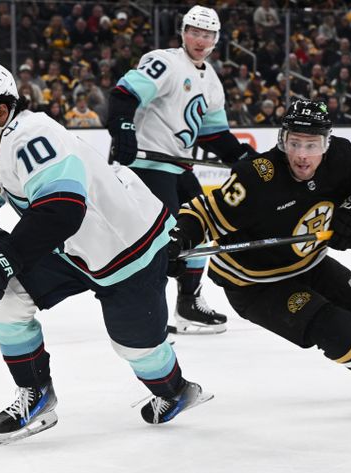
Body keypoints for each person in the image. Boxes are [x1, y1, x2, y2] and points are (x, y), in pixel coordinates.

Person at [0, 62, 211, 445]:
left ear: (1, 110)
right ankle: (36, 392)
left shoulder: (33, 136)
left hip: (125, 249)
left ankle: (176, 390)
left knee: (137, 350)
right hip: (69, 249)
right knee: (4, 299)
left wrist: (1, 258)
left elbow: (63, 208)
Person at [166, 99, 351, 422]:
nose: (302, 155)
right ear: (282, 140)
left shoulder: (341, 159)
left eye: (311, 144)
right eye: (294, 143)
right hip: (253, 284)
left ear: (326, 143)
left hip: (309, 263)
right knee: (333, 327)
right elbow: (203, 214)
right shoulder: (257, 178)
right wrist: (180, 239)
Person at [107, 5, 256, 335]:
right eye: (194, 32)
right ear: (183, 32)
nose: (200, 40)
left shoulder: (211, 79)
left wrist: (241, 155)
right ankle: (149, 313)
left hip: (178, 167)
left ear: (216, 39)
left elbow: (213, 133)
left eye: (207, 35)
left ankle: (188, 305)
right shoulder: (166, 62)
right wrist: (123, 127)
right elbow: (123, 95)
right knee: (163, 241)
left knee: (200, 225)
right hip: (148, 166)